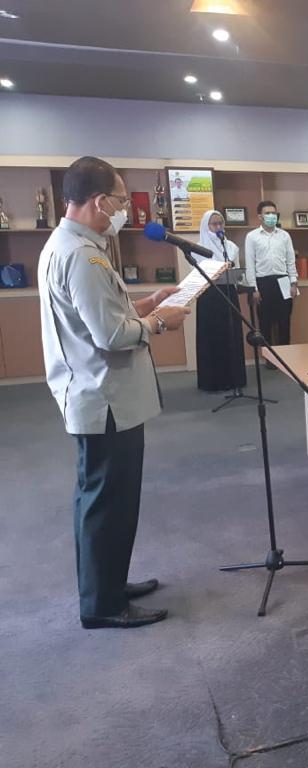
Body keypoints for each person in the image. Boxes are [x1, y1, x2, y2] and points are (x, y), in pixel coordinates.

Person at [38, 156, 190, 629]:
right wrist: (160, 322)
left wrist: (147, 304)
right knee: (107, 503)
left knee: (104, 500)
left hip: (98, 394)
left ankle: (107, 584)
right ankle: (103, 605)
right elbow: (109, 336)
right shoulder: (82, 256)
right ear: (100, 201)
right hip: (104, 398)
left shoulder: (71, 244)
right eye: (121, 202)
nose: (124, 210)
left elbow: (100, 315)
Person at [195, 209, 246, 392]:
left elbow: (237, 270)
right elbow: (200, 272)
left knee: (231, 333)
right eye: (214, 224)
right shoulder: (198, 247)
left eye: (220, 223)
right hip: (209, 295)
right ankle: (214, 380)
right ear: (206, 226)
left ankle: (234, 378)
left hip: (229, 292)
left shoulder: (231, 246)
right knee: (213, 335)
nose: (218, 227)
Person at [245, 200, 297, 363]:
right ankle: (269, 359)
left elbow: (291, 261)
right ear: (260, 216)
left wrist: (293, 283)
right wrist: (253, 288)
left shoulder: (284, 235)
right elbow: (250, 264)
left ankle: (285, 358)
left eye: (274, 213)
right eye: (267, 213)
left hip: (283, 281)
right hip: (263, 282)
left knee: (284, 321)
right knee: (265, 322)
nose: (271, 216)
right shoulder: (252, 237)